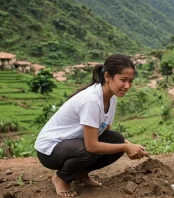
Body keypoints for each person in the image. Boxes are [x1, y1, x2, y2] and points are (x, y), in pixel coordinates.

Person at [34, 54, 149, 197]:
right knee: (88, 152)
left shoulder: (111, 99)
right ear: (107, 76)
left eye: (130, 81)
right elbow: (92, 146)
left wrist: (129, 145)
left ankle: (81, 173)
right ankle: (61, 178)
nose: (127, 86)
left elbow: (104, 133)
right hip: (50, 150)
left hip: (72, 144)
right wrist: (126, 147)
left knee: (117, 139)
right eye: (123, 80)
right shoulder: (92, 100)